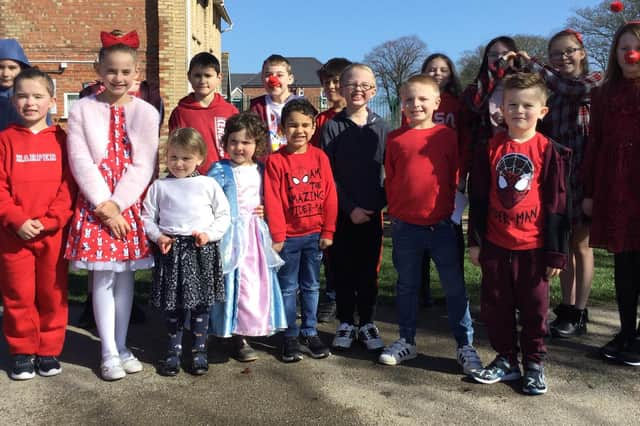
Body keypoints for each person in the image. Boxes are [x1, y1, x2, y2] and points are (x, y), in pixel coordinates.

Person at [467, 72, 570, 395]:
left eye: (528, 105)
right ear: (502, 108)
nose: (519, 111)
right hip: (497, 244)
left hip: (535, 248)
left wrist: (556, 251)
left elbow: (557, 202)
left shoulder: (549, 150)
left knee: (534, 308)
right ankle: (506, 359)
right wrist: (476, 241)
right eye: (513, 104)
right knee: (496, 304)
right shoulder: (490, 147)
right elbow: (480, 197)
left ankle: (534, 363)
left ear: (542, 111)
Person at [64, 38, 159, 381]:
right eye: (111, 71)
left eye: (125, 72)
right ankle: (107, 351)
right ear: (99, 72)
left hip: (127, 200)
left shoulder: (146, 112)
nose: (118, 78)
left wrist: (119, 203)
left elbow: (143, 163)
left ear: (136, 74)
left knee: (126, 276)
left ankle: (122, 345)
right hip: (96, 202)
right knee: (102, 276)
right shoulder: (81, 110)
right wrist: (104, 205)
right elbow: (80, 160)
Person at [379, 74, 482, 375]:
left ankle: (465, 345)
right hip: (405, 228)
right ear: (402, 103)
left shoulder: (446, 136)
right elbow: (393, 179)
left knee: (454, 288)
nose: (415, 104)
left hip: (442, 228)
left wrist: (450, 214)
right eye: (409, 99)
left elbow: (454, 178)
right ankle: (406, 339)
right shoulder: (395, 138)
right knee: (407, 286)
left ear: (437, 102)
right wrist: (396, 214)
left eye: (423, 99)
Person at [522, 29, 602, 338]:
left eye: (569, 51)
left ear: (582, 52)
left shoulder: (595, 81)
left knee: (581, 244)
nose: (563, 57)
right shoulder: (551, 93)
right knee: (563, 244)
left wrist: (536, 65)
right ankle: (566, 307)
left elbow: (571, 89)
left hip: (586, 176)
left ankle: (580, 310)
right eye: (556, 54)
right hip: (558, 177)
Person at [0, 68, 76, 380]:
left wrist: (50, 221)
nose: (30, 102)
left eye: (37, 96)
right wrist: (17, 220)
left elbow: (69, 186)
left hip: (52, 234)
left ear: (52, 101)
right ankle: (22, 350)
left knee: (52, 293)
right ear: (12, 101)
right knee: (17, 294)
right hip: (13, 235)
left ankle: (48, 349)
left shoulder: (63, 140)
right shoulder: (5, 141)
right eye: (22, 96)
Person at [142, 128, 230, 376]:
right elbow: (147, 217)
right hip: (171, 250)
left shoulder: (208, 184)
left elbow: (223, 216)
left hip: (200, 249)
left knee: (201, 304)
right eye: (173, 157)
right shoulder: (159, 186)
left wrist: (209, 234)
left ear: (200, 158)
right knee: (174, 306)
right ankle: (173, 352)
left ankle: (199, 351)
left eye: (186, 158)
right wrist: (158, 236)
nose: (179, 164)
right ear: (166, 157)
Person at [582, 21, 640, 366]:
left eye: (636, 46)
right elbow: (595, 143)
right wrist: (590, 190)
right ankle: (626, 330)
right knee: (624, 264)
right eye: (623, 47)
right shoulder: (602, 94)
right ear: (615, 53)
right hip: (617, 187)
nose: (630, 53)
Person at [208, 112, 287, 362]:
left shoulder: (263, 169)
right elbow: (206, 199)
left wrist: (266, 207)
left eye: (246, 142)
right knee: (229, 284)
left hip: (255, 235)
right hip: (229, 236)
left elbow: (274, 197)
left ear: (257, 144)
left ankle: (247, 331)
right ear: (225, 142)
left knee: (254, 285)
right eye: (234, 141)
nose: (239, 147)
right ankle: (226, 331)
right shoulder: (218, 169)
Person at [320, 64, 388, 353]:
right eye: (351, 84)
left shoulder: (382, 127)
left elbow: (391, 171)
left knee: (368, 272)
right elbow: (327, 174)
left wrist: (375, 206)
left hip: (372, 213)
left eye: (364, 85)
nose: (357, 89)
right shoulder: (331, 127)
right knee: (342, 269)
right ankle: (346, 321)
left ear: (373, 90)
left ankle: (368, 322)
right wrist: (349, 208)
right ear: (341, 89)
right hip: (342, 213)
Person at [264, 98, 337, 362]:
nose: (300, 130)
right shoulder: (276, 161)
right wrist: (278, 235)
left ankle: (309, 330)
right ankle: (290, 335)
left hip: (314, 236)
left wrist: (328, 230)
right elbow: (272, 199)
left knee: (311, 286)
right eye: (293, 125)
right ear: (282, 128)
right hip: (289, 238)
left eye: (305, 125)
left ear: (314, 126)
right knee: (287, 287)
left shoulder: (320, 157)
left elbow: (330, 194)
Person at [416, 53, 466, 308]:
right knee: (420, 235)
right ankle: (421, 290)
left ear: (451, 74)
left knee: (451, 234)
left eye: (442, 69)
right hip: (422, 178)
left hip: (451, 178)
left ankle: (454, 291)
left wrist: (461, 176)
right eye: (432, 69)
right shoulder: (415, 102)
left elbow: (464, 141)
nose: (437, 73)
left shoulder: (457, 103)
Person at [310, 57, 352, 324]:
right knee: (331, 250)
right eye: (327, 83)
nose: (332, 87)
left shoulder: (360, 114)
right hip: (328, 194)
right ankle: (333, 295)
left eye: (337, 81)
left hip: (356, 192)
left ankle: (356, 296)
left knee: (357, 249)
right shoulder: (320, 119)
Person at [169, 52, 238, 174]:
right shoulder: (180, 112)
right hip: (192, 177)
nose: (202, 80)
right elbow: (175, 147)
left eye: (208, 75)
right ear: (189, 76)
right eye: (197, 75)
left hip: (225, 175)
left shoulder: (230, 111)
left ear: (219, 77)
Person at [250, 54, 299, 153]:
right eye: (268, 75)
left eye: (279, 75)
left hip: (292, 162)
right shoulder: (256, 107)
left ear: (290, 79)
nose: (273, 80)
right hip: (266, 164)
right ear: (262, 79)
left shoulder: (301, 105)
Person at [0, 39, 31, 130]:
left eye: (12, 68)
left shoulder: (32, 97)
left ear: (22, 69)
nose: (5, 74)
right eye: (0, 67)